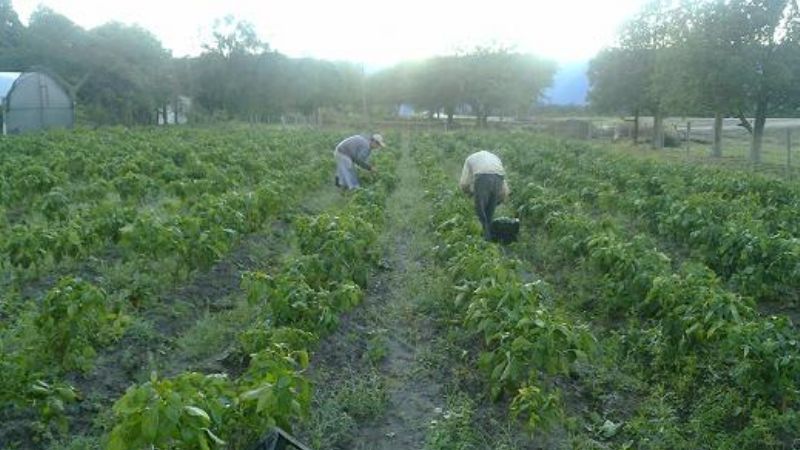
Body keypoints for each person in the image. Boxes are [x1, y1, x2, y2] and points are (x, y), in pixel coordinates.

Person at [459, 150, 510, 240]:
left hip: (482, 176)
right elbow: (504, 188)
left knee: (480, 210)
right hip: (498, 177)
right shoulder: (495, 158)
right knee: (490, 212)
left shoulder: (469, 159)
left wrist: (470, 194)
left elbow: (464, 183)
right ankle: (489, 234)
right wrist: (500, 199)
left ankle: (484, 238)